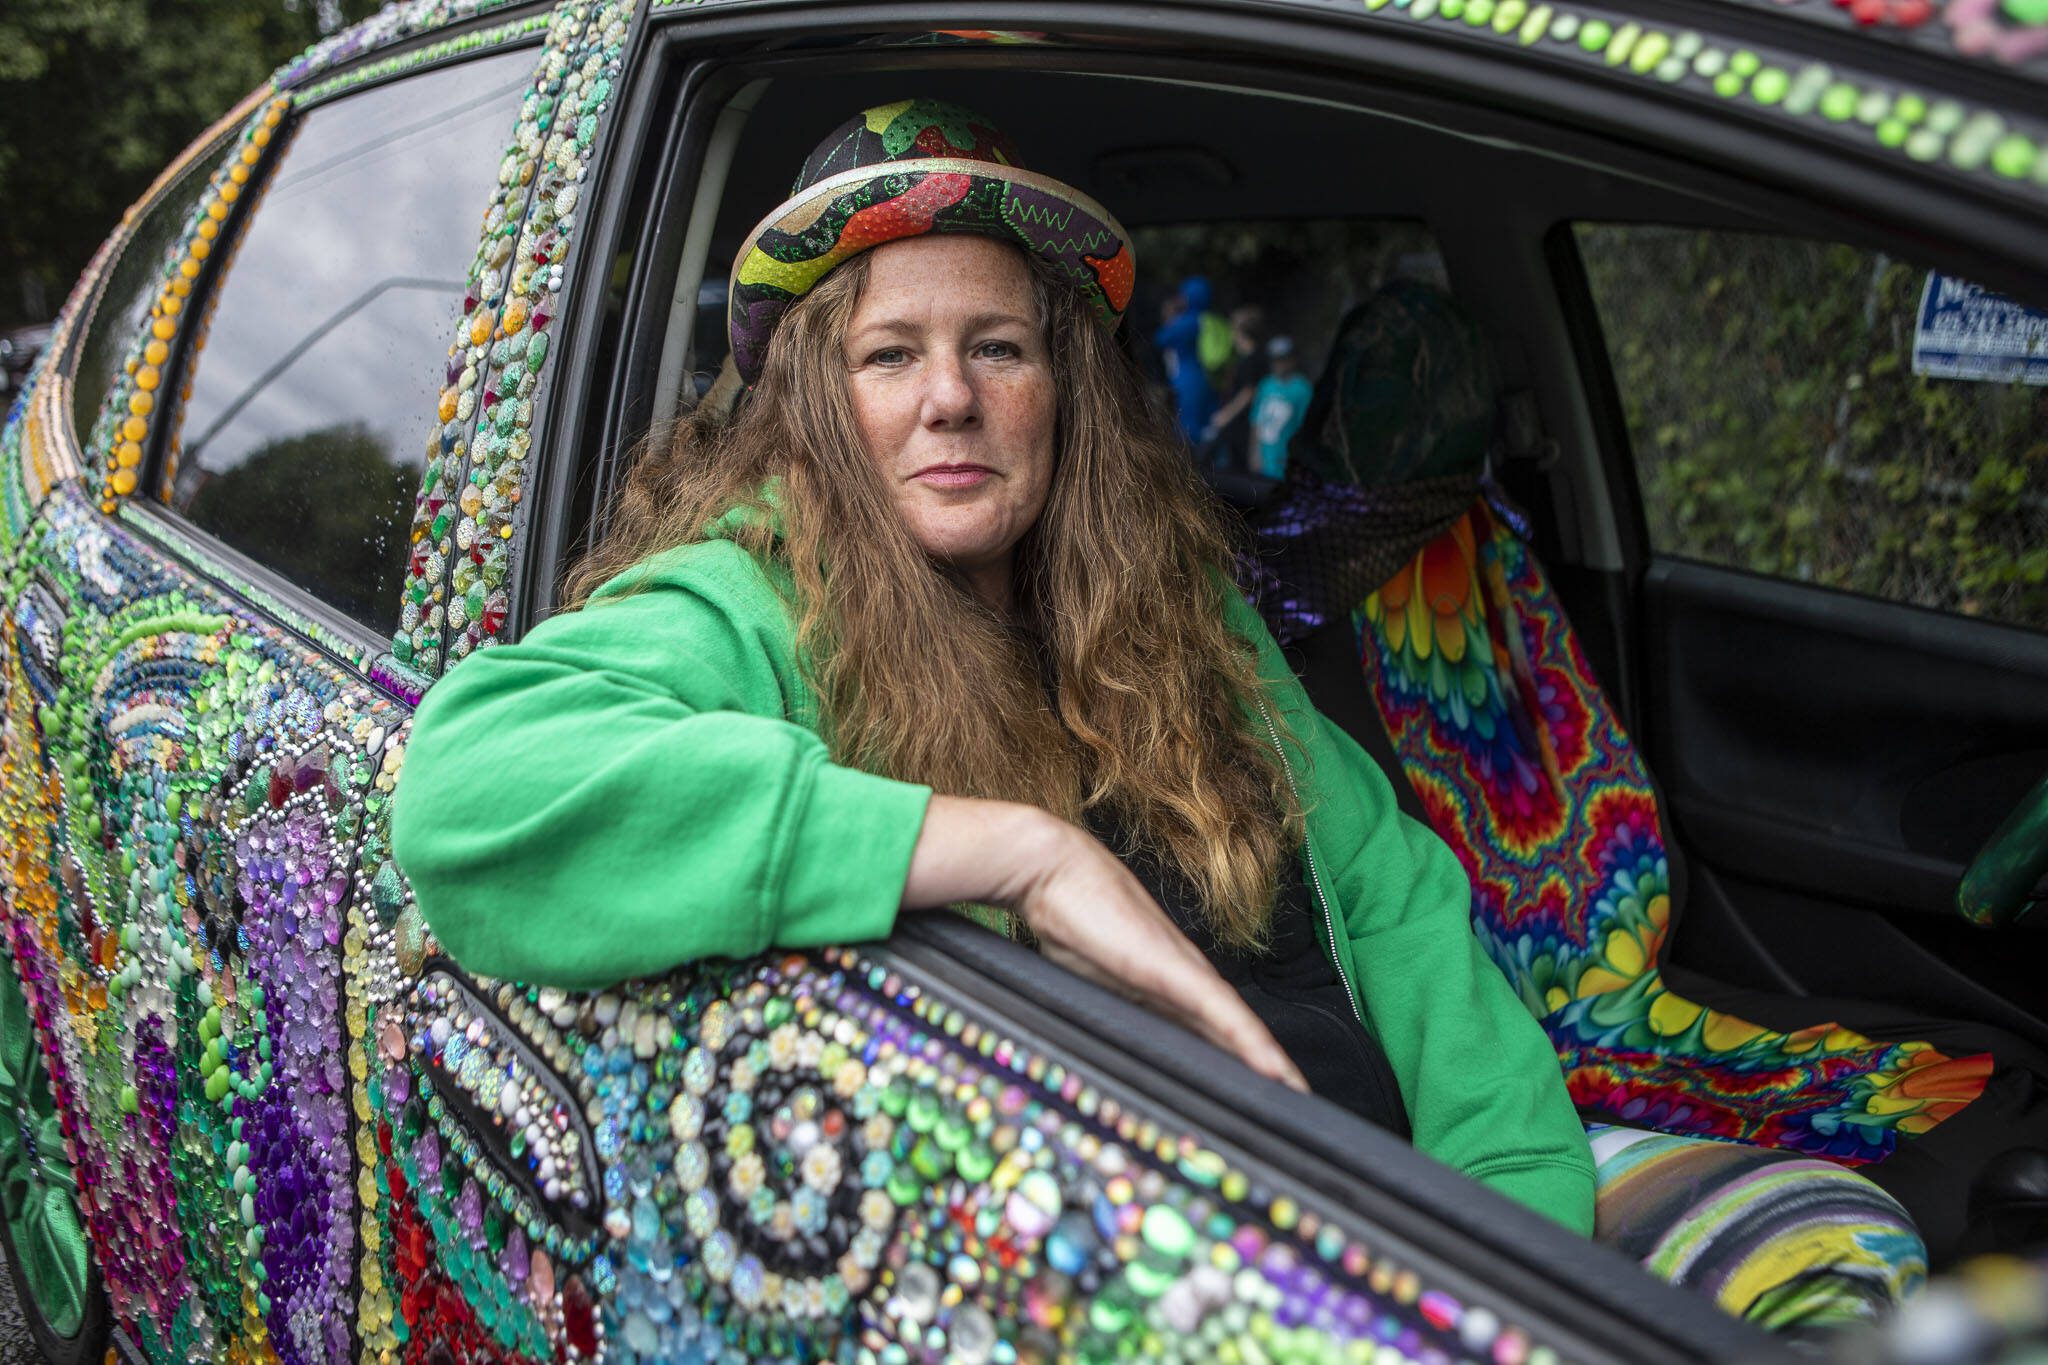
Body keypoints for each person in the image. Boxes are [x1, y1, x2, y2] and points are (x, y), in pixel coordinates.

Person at [391, 98, 1918, 1328]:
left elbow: (1398, 911)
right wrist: (1015, 854)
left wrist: (1502, 1243)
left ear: (1065, 388)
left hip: (1400, 1207)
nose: (951, 399)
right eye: (888, 353)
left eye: (998, 344)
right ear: (816, 405)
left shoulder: (1180, 618)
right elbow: (470, 788)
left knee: (1843, 1247)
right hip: (1122, 1261)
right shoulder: (751, 603)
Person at [1249, 334, 1313, 478]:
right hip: (1265, 460)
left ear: (1292, 359)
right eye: (1275, 360)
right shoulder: (1266, 384)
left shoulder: (1302, 389)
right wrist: (1254, 453)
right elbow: (1256, 421)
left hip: (1287, 463)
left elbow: (1307, 428)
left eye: (1283, 359)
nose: (1279, 364)